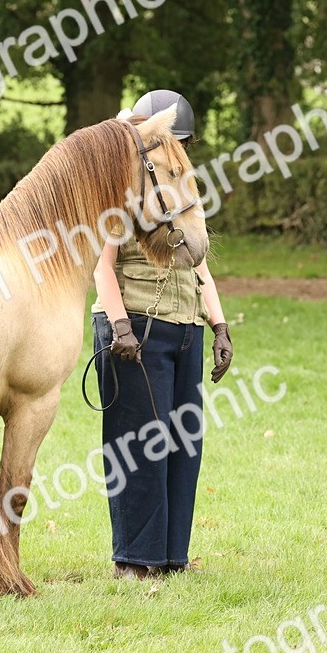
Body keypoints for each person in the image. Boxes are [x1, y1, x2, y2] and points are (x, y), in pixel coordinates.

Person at [91, 89, 233, 579]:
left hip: (184, 330)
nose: (180, 152)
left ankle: (172, 558)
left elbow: (199, 266)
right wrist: (119, 325)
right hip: (135, 331)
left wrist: (218, 325)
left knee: (182, 449)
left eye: (184, 143)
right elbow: (101, 268)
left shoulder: (181, 193)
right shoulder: (120, 193)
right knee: (139, 446)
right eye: (172, 142)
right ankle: (133, 559)